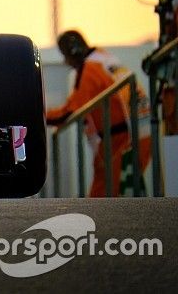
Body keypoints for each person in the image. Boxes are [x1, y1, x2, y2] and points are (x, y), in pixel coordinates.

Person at [46, 30, 149, 197]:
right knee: (120, 193)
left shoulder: (89, 69)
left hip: (124, 137)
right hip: (137, 132)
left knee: (102, 198)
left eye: (65, 55)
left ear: (72, 53)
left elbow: (70, 111)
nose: (66, 62)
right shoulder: (102, 58)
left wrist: (41, 115)